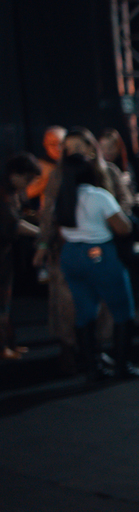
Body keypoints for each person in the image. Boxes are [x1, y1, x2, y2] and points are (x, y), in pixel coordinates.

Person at [33, 127, 135, 373]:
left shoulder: (108, 172)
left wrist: (111, 217)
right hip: (73, 248)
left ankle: (95, 355)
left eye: (78, 147)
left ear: (91, 147)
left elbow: (125, 202)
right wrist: (44, 244)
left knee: (101, 307)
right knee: (71, 304)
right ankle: (72, 351)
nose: (72, 152)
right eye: (68, 148)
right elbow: (48, 214)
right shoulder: (59, 176)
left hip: (94, 247)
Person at [52, 153, 139, 380]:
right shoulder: (98, 196)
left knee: (84, 312)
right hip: (99, 253)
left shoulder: (62, 197)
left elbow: (58, 228)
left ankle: (92, 369)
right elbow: (123, 227)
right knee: (122, 310)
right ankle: (122, 366)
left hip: (71, 254)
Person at [2, 153, 42, 360]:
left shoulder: (13, 192)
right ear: (14, 174)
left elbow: (21, 215)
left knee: (5, 300)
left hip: (5, 252)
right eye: (27, 179)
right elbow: (13, 224)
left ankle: (8, 344)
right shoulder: (3, 193)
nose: (28, 184)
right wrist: (42, 233)